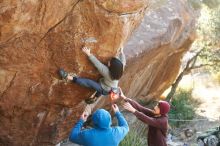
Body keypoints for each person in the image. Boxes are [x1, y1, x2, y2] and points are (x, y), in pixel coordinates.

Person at [59, 46, 126, 104]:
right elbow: (123, 62)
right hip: (108, 85)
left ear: (112, 68)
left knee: (89, 83)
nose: (108, 62)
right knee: (100, 87)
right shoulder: (119, 71)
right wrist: (122, 52)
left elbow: (98, 65)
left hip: (104, 89)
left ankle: (68, 77)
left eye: (110, 63)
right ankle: (95, 98)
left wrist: (88, 53)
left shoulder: (108, 74)